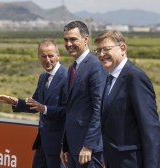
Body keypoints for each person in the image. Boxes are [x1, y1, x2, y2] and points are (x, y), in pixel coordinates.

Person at [93, 30, 160, 168]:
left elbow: (150, 130)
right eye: (98, 51)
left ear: (122, 48)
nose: (101, 54)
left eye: (106, 49)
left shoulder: (135, 77)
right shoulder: (110, 79)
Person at [0, 39, 67, 168]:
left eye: (50, 55)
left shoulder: (67, 77)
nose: (47, 60)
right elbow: (34, 105)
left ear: (58, 55)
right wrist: (15, 101)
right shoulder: (42, 77)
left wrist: (44, 109)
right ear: (38, 57)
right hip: (42, 144)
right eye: (43, 56)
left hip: (58, 146)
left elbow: (68, 111)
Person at [60, 21, 108, 168]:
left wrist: (89, 145)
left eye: (73, 39)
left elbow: (99, 109)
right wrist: (65, 145)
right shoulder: (72, 68)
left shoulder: (96, 66)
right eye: (66, 40)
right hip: (73, 147)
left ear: (85, 39)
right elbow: (71, 110)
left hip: (87, 150)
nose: (68, 44)